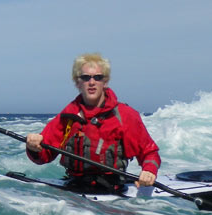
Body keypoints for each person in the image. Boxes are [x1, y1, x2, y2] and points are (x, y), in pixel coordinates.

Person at [26, 52, 161, 191]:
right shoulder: (68, 116)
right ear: (77, 82)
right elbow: (43, 157)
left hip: (113, 191)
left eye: (98, 77)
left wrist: (149, 171)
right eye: (85, 77)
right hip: (74, 186)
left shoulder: (125, 115)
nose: (92, 82)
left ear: (105, 82)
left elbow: (150, 153)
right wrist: (33, 147)